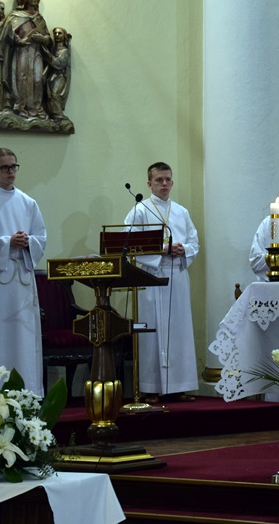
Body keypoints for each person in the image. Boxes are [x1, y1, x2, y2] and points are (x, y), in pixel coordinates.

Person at [0, 148, 47, 395]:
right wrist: (6, 242)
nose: (11, 171)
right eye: (5, 167)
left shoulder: (28, 202)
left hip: (22, 279)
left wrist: (28, 242)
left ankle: (27, 395)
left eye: (14, 166)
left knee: (24, 340)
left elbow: (41, 237)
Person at [123, 162, 199, 403]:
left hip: (177, 275)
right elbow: (129, 244)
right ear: (149, 183)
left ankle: (179, 385)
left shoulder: (181, 212)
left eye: (168, 179)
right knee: (152, 331)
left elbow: (194, 243)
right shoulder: (140, 210)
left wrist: (182, 249)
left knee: (179, 330)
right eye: (159, 180)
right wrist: (161, 250)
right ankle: (150, 387)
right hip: (151, 275)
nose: (164, 184)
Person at [4, 0, 50, 118]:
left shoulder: (39, 18)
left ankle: (36, 107)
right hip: (22, 51)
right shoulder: (16, 16)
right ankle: (21, 106)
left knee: (37, 78)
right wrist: (20, 41)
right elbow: (8, 33)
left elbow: (48, 38)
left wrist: (42, 39)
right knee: (22, 78)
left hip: (36, 52)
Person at [42, 27, 72, 120]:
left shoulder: (65, 51)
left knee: (55, 95)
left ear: (64, 36)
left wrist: (49, 56)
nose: (57, 35)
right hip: (51, 76)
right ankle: (53, 115)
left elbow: (59, 64)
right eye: (55, 33)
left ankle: (58, 116)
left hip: (59, 77)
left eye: (60, 33)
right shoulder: (53, 49)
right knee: (49, 95)